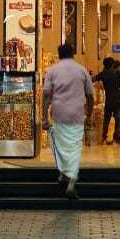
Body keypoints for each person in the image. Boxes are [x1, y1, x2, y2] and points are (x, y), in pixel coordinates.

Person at [43, 43, 94, 199]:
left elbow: (46, 96)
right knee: (74, 148)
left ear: (59, 55)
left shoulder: (52, 71)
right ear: (73, 54)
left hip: (59, 114)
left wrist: (44, 117)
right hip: (77, 114)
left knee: (61, 146)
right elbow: (90, 95)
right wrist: (89, 114)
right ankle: (71, 182)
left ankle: (62, 174)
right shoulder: (82, 70)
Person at [96, 57, 120, 145]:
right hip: (117, 99)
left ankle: (104, 137)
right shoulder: (117, 72)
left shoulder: (103, 73)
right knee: (118, 119)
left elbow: (93, 79)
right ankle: (116, 138)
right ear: (113, 64)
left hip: (108, 100)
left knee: (106, 119)